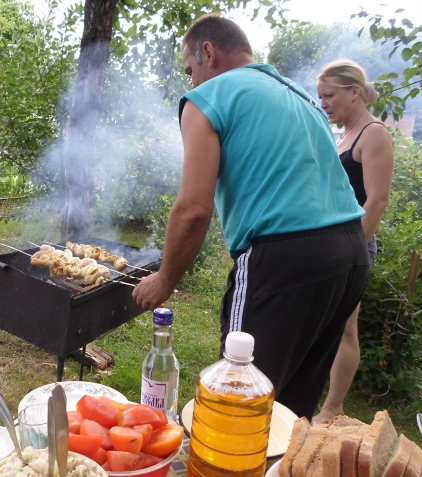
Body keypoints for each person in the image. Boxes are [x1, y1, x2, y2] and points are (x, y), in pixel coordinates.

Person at [132, 14, 371, 421]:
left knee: (237, 399)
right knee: (288, 407)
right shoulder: (300, 97)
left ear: (208, 52)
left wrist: (165, 279)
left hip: (284, 259)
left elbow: (193, 208)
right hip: (350, 254)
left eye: (190, 70)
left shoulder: (208, 96)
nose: (191, 82)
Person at [312, 60, 394, 424]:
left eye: (329, 95)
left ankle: (333, 407)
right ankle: (314, 396)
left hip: (355, 244)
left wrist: (353, 251)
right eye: (321, 97)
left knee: (346, 326)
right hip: (330, 242)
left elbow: (376, 201)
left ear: (354, 92)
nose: (324, 103)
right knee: (320, 321)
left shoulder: (374, 134)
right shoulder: (344, 133)